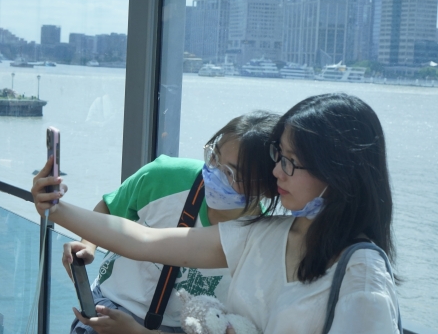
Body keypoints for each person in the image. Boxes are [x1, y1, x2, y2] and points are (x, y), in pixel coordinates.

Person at [31, 93, 400, 334]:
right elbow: (144, 241)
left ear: (337, 174)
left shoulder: (362, 276)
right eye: (278, 157)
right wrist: (56, 208)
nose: (276, 172)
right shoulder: (263, 234)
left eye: (290, 162)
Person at [64, 111, 279, 334]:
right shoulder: (165, 176)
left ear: (267, 187)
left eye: (231, 173)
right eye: (214, 155)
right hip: (115, 305)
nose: (214, 171)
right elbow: (109, 207)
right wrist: (87, 244)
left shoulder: (262, 241)